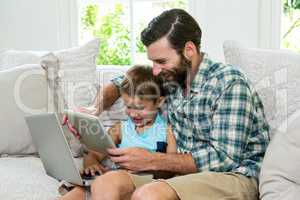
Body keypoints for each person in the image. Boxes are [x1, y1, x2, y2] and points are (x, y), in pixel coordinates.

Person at [68, 8, 270, 200]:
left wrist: (152, 160)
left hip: (233, 176)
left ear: (189, 50)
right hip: (178, 175)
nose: (155, 70)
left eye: (161, 61)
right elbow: (122, 82)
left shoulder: (229, 83)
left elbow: (225, 159)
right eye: (153, 62)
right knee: (85, 191)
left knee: (148, 195)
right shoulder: (172, 77)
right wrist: (94, 109)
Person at [60, 65, 177, 200]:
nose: (133, 114)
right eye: (128, 106)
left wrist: (149, 166)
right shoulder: (119, 129)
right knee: (76, 193)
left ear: (159, 101)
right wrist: (92, 164)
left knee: (108, 183)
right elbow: (94, 155)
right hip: (112, 182)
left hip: (144, 185)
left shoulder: (167, 131)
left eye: (140, 107)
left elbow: (170, 171)